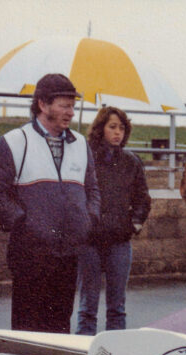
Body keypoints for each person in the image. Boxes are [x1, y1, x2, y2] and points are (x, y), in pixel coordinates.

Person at [0, 73, 99, 333]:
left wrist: (88, 220)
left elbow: (92, 189)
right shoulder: (14, 141)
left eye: (73, 105)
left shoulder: (80, 144)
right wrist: (23, 223)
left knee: (60, 329)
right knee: (28, 328)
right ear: (43, 105)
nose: (70, 112)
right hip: (30, 253)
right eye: (64, 105)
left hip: (68, 252)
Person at [75, 107, 150, 334]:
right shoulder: (84, 158)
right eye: (112, 127)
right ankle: (84, 352)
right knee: (88, 306)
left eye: (122, 127)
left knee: (117, 306)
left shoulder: (131, 161)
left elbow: (142, 199)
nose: (118, 132)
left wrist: (133, 225)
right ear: (101, 129)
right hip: (90, 241)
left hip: (119, 240)